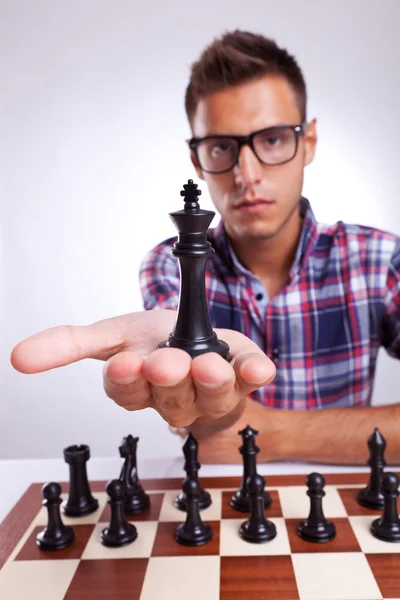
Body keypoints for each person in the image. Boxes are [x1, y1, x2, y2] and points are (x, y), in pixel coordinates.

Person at [10, 30, 400, 465]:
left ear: (307, 142)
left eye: (271, 139)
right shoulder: (165, 264)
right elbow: (205, 424)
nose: (247, 174)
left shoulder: (379, 261)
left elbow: (237, 438)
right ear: (197, 159)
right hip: (219, 503)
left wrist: (274, 434)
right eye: (221, 147)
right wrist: (211, 408)